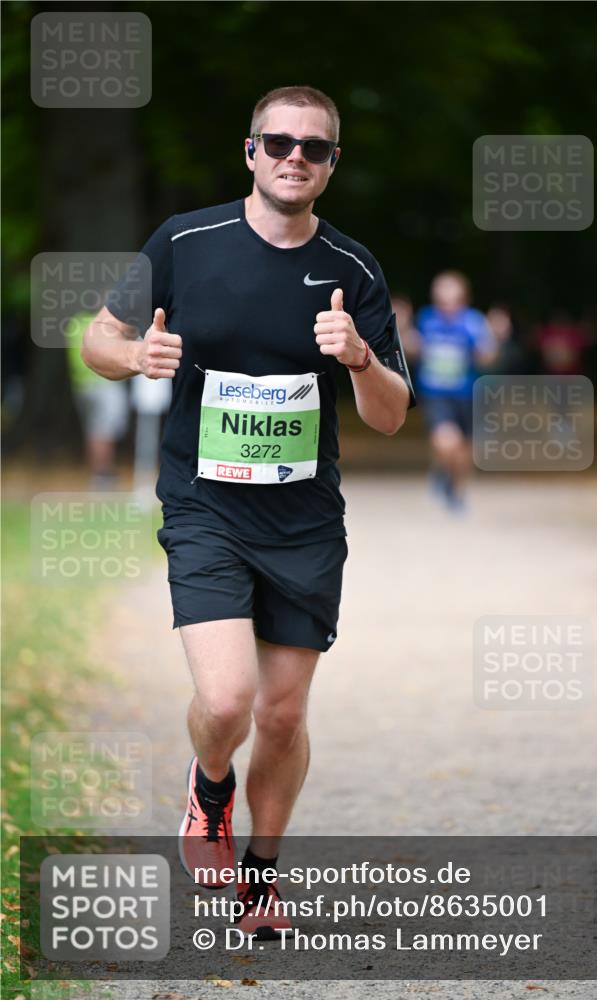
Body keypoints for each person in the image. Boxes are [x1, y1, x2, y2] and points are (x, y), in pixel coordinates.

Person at [81, 85, 414, 940]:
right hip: (205, 507)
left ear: (331, 164)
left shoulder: (352, 268)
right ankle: (209, 784)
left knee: (283, 714)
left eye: (314, 148)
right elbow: (96, 339)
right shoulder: (185, 241)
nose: (294, 157)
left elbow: (390, 414)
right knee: (227, 701)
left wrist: (359, 358)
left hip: (304, 521)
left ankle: (260, 877)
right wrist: (136, 355)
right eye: (278, 142)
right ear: (250, 151)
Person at [414, 271, 495, 511]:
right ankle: (444, 472)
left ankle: (454, 488)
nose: (447, 305)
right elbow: (413, 350)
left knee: (464, 451)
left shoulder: (474, 322)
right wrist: (403, 331)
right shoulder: (426, 319)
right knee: (447, 441)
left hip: (467, 396)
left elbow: (486, 359)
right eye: (442, 299)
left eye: (452, 299)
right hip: (436, 395)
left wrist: (492, 340)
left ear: (463, 299)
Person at [66, 310, 129, 489]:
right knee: (104, 430)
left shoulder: (75, 322)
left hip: (82, 385)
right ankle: (103, 474)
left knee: (93, 431)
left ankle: (96, 473)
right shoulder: (102, 325)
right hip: (102, 383)